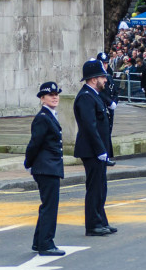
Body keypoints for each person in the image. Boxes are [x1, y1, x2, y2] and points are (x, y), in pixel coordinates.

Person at [75, 60, 116, 236]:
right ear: (93, 79)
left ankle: (101, 220)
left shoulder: (94, 94)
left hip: (98, 150)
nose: (105, 80)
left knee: (101, 187)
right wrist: (100, 151)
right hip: (92, 151)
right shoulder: (85, 97)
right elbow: (89, 127)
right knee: (94, 188)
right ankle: (93, 224)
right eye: (102, 77)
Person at [25, 82, 65, 256]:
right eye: (50, 95)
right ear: (42, 98)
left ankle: (38, 241)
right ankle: (46, 244)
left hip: (49, 167)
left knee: (47, 206)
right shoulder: (43, 117)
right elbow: (35, 143)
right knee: (50, 207)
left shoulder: (49, 115)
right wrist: (29, 163)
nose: (55, 97)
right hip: (46, 168)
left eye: (56, 94)